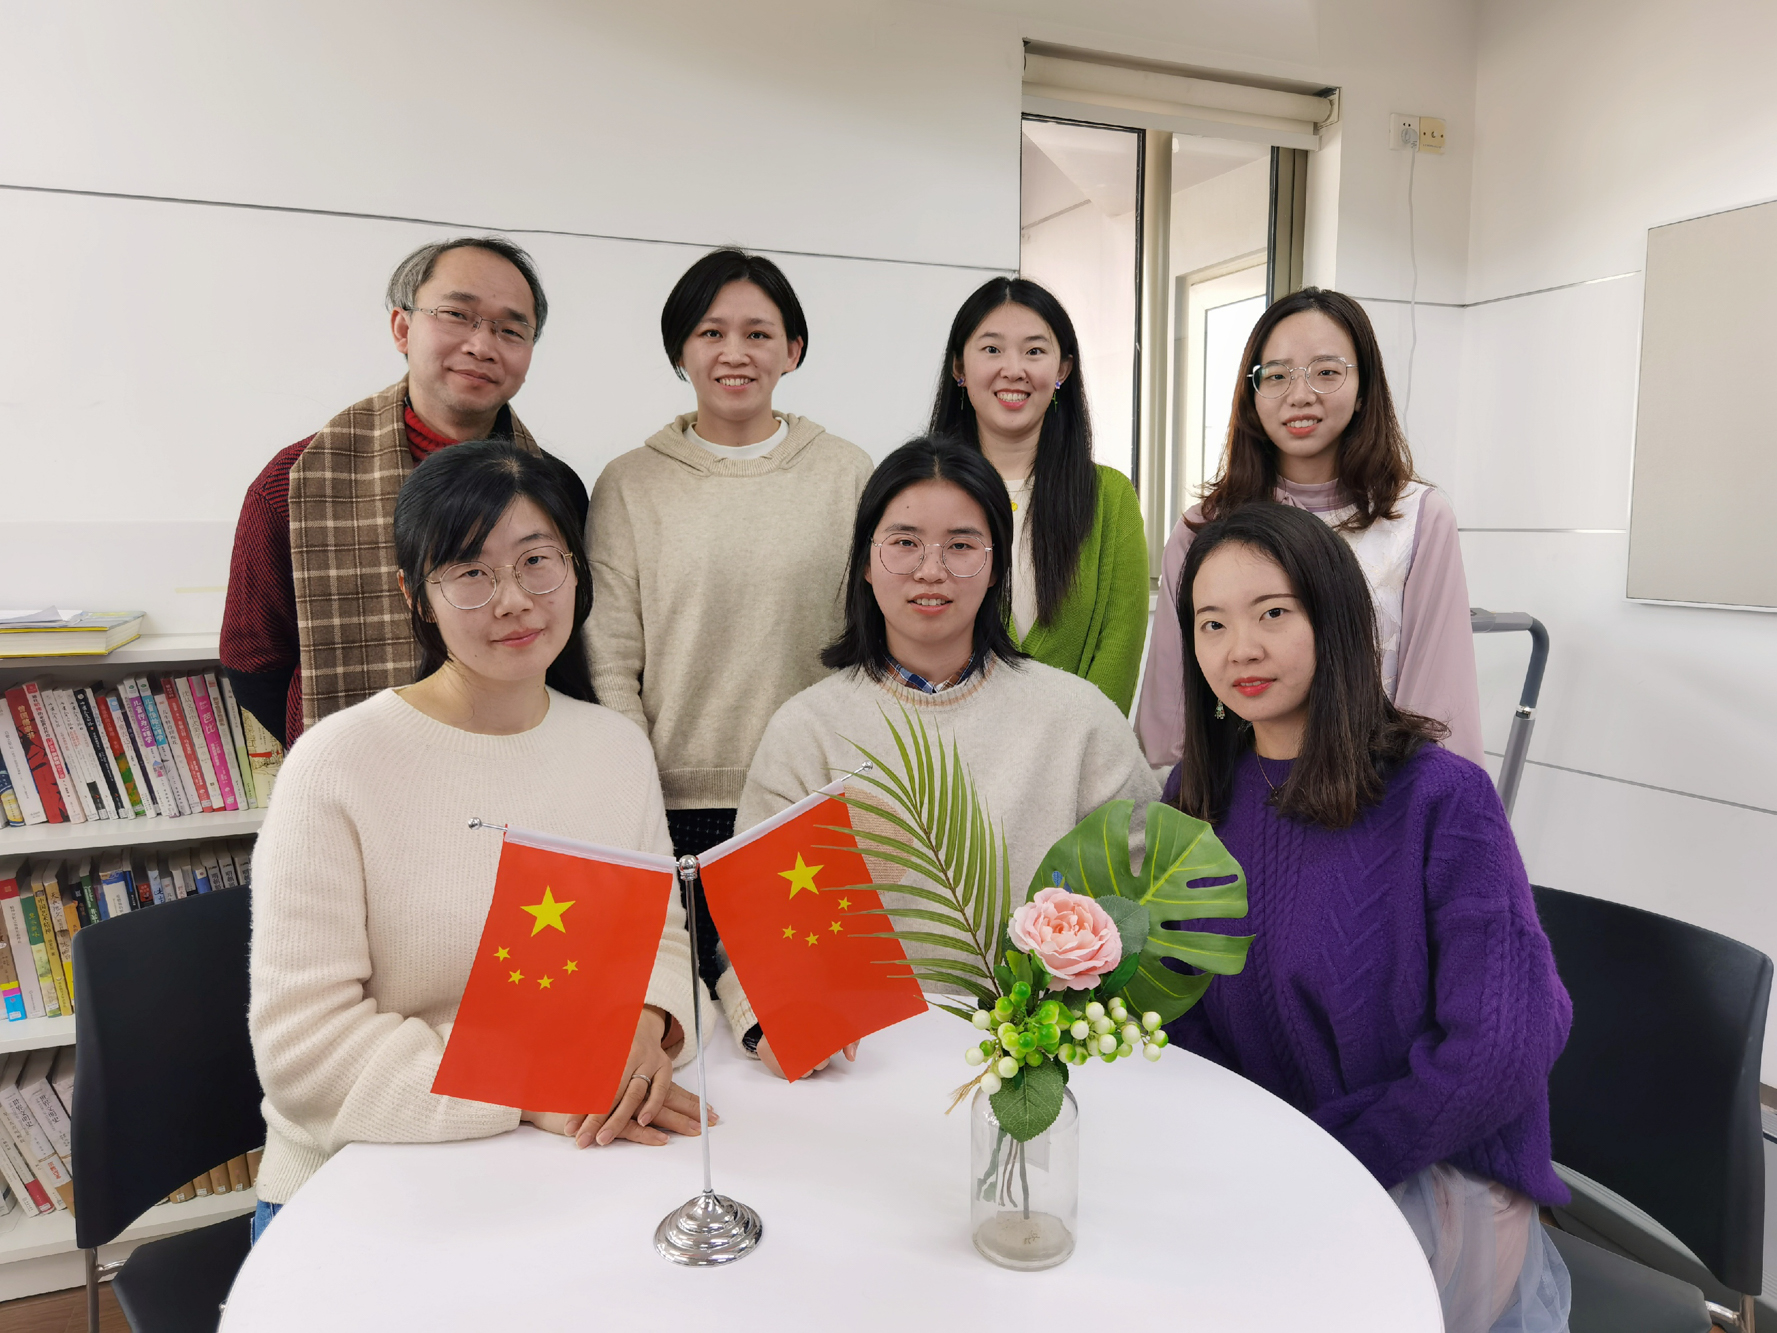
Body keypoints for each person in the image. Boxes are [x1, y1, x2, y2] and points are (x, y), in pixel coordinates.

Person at [248, 442, 703, 1243]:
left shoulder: (614, 748)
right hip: (361, 1183)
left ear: (575, 568)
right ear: (416, 596)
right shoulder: (338, 762)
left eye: (537, 561)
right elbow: (305, 1053)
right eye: (470, 572)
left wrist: (647, 1017)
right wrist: (534, 1081)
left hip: (572, 1159)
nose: (514, 601)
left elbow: (661, 936)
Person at [1161, 501, 1570, 1333]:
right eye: (1211, 623)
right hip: (1272, 1164)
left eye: (1272, 613)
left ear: (1336, 617)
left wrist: (1321, 1160)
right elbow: (1182, 1006)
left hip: (1423, 1168)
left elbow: (1500, 1046)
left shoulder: (1441, 798)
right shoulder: (1197, 794)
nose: (1239, 648)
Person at [730, 436, 1160, 1076]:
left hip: (1045, 1061)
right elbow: (753, 918)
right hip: (857, 1065)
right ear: (866, 562)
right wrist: (769, 1016)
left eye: (961, 546)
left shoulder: (1078, 717)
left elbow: (1148, 898)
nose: (931, 570)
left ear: (996, 567)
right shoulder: (807, 729)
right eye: (904, 542)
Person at [585, 249, 872, 1003]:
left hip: (808, 801)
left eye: (758, 333)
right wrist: (634, 789)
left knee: (801, 1023)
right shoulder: (629, 482)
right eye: (711, 333)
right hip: (671, 805)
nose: (734, 353)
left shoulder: (848, 473)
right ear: (680, 350)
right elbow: (610, 655)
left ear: (793, 349)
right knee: (683, 1023)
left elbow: (869, 643)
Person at [223, 236, 553, 749]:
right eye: (457, 315)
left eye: (511, 330)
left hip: (522, 752)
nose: (482, 345)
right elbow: (253, 661)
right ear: (402, 328)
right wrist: (332, 749)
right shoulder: (294, 482)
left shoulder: (553, 486)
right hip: (355, 762)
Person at [1134, 287, 1483, 770]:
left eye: (1326, 372)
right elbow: (1171, 715)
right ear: (1252, 394)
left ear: (1363, 390)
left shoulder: (1417, 519)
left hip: (1376, 792)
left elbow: (1439, 705)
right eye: (1276, 375)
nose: (1300, 396)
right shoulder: (1203, 528)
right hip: (1236, 791)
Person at [928, 278, 1149, 714]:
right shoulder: (921, 494)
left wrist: (1074, 747)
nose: (1014, 369)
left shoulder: (1111, 498)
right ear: (959, 367)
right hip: (942, 750)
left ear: (1062, 370)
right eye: (992, 349)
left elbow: (1118, 653)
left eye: (1034, 351)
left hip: (1077, 749)